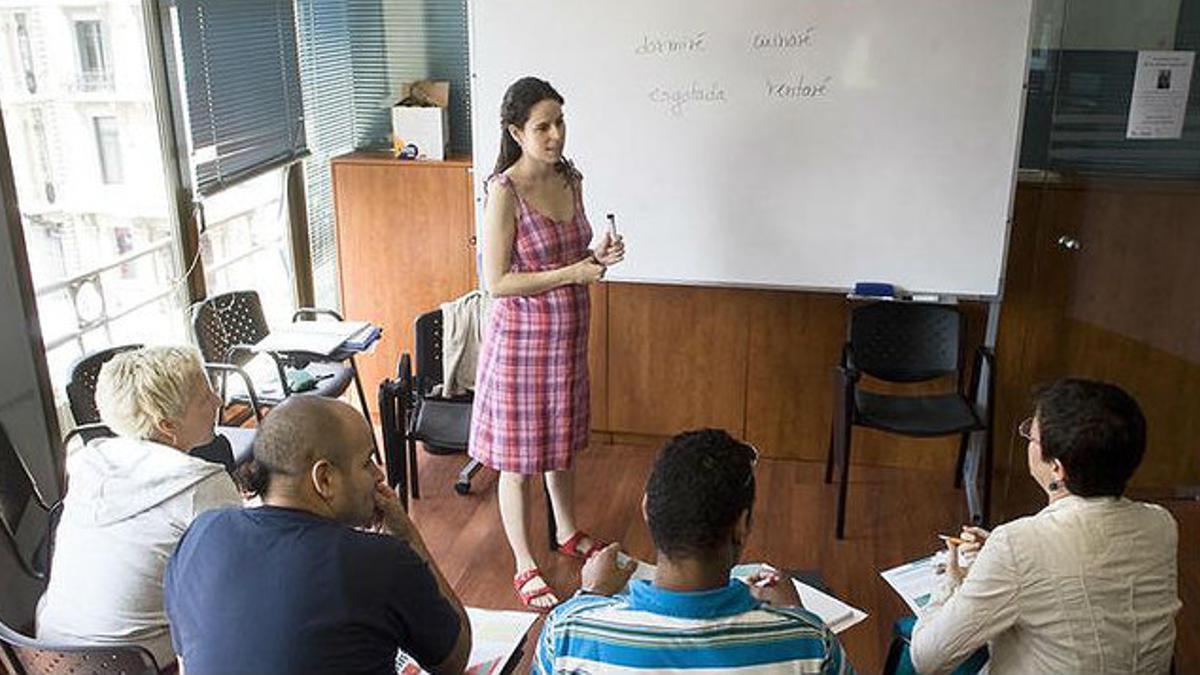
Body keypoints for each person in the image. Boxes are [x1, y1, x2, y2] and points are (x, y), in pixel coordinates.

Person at [164, 396, 471, 675]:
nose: (378, 475)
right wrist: (408, 538)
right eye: (366, 462)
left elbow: (187, 660)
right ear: (324, 479)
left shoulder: (202, 533)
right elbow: (454, 660)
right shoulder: (380, 561)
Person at [470, 75, 626, 610]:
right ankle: (524, 562)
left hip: (568, 338)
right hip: (521, 344)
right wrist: (573, 274)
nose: (556, 134)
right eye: (543, 126)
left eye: (560, 122)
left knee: (561, 445)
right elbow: (498, 282)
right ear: (516, 131)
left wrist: (597, 255)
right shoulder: (504, 191)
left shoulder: (571, 177)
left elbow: (574, 252)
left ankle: (566, 530)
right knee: (518, 461)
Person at [911, 379, 1180, 673]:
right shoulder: (1161, 523)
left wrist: (951, 582)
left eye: (1031, 435)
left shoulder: (1017, 545)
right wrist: (1000, 561)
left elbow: (927, 659)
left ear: (1056, 467)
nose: (1027, 438)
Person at [534, 429, 854, 673]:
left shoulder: (565, 631)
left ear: (647, 509)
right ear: (742, 525)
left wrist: (592, 592)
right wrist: (797, 616)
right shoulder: (811, 644)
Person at [36, 346, 241, 667]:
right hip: (130, 663)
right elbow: (242, 580)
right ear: (167, 425)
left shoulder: (91, 463)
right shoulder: (200, 487)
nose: (218, 402)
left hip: (48, 657)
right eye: (205, 398)